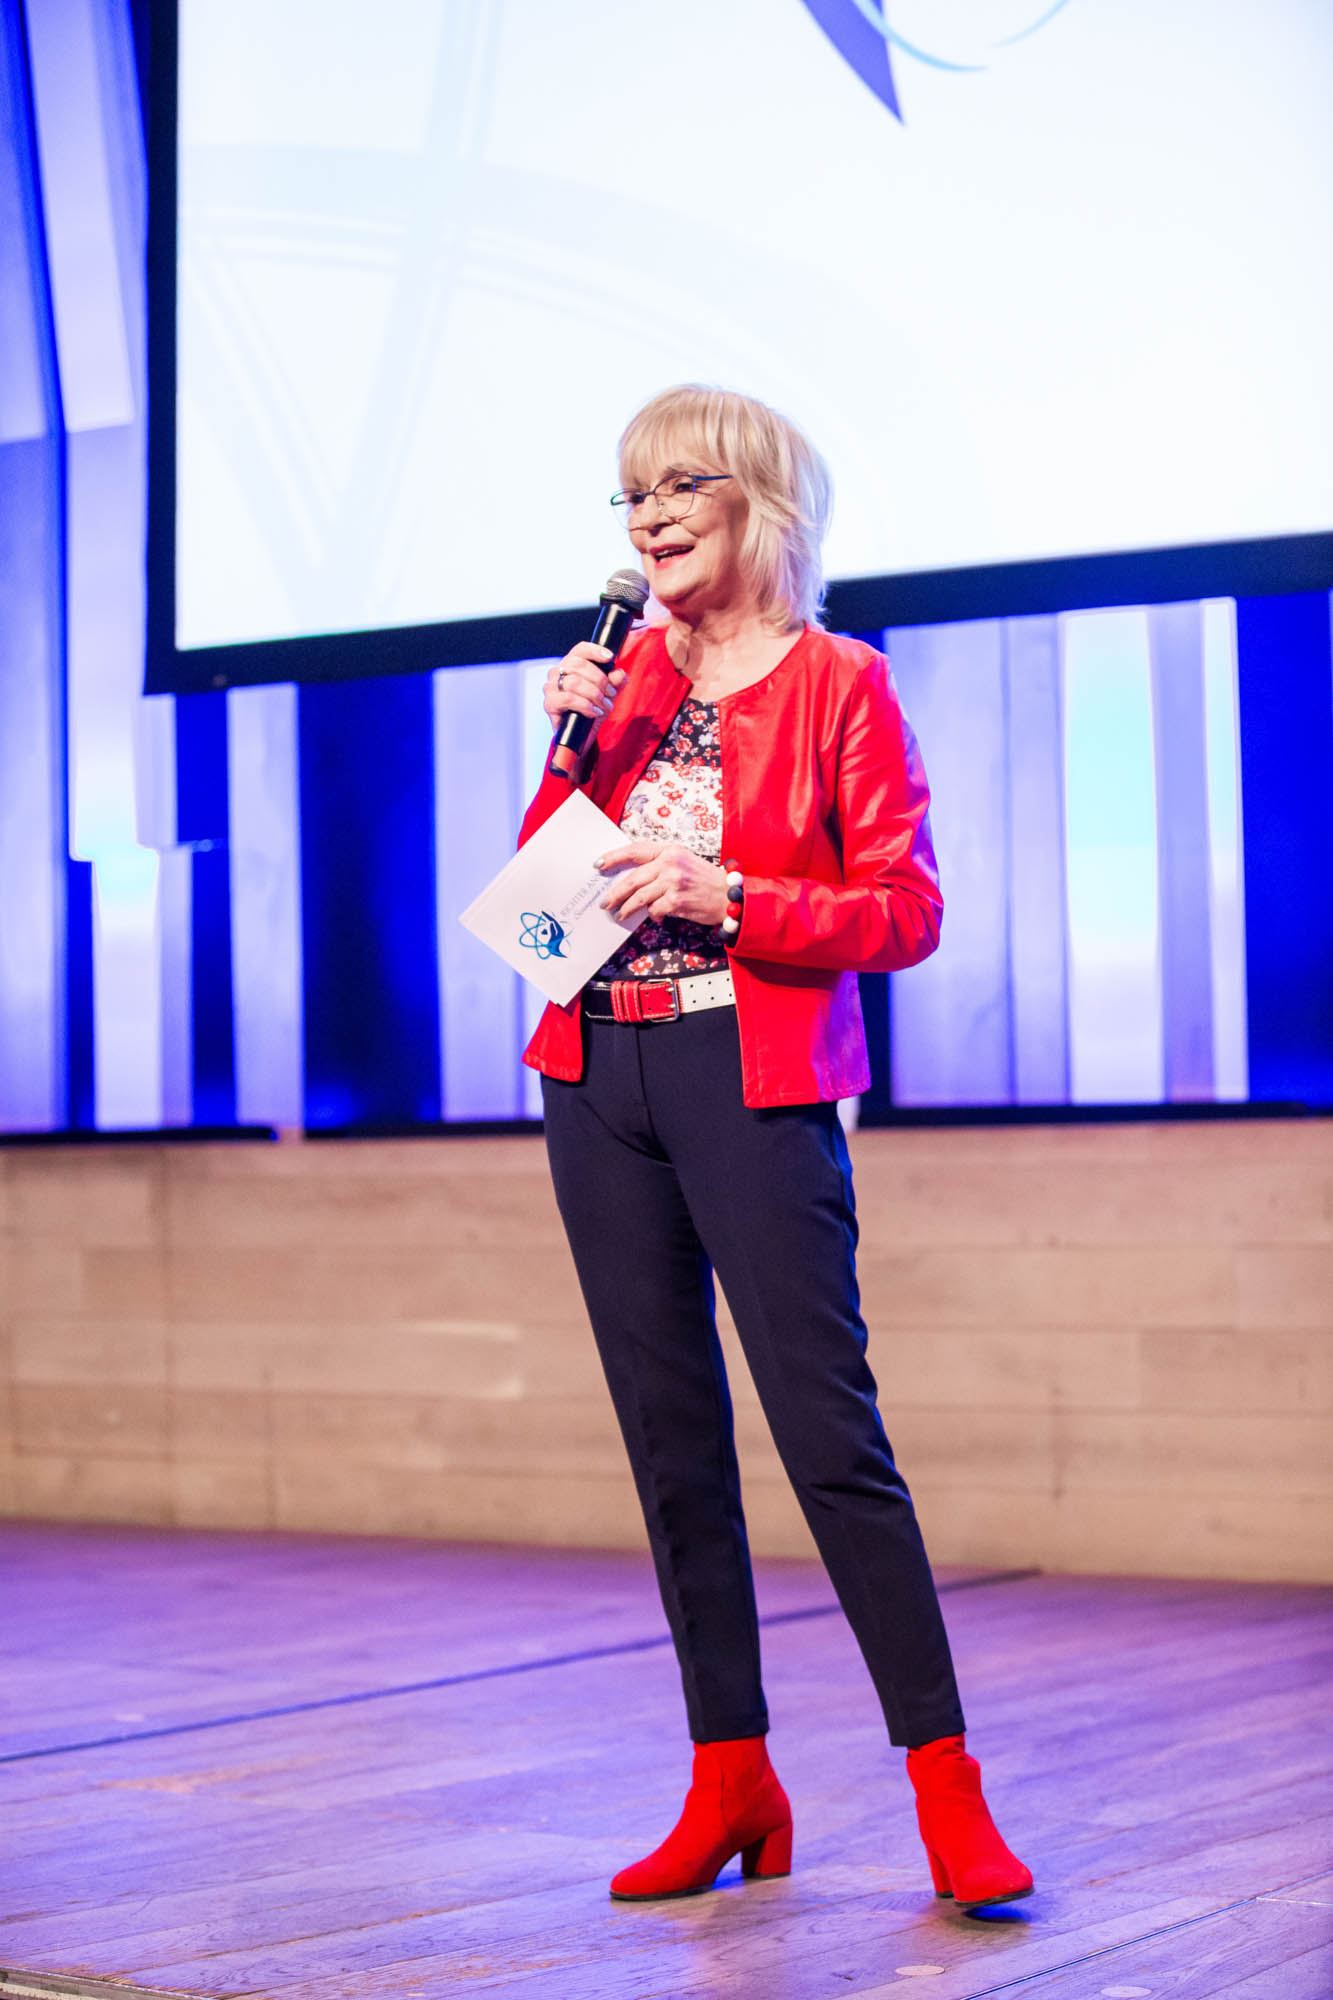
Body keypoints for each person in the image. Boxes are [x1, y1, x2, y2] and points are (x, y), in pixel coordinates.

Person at [518, 384, 1032, 1911]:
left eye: (678, 485)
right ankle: (728, 1776)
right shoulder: (616, 682)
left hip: (746, 1072)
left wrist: (728, 895)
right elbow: (540, 908)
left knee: (826, 1437)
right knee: (668, 1439)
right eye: (629, 495)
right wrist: (564, 754)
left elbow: (905, 912)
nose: (648, 517)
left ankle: (945, 1788)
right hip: (591, 1071)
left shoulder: (837, 682)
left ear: (761, 500)